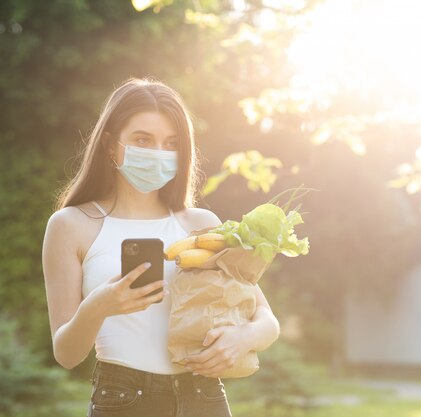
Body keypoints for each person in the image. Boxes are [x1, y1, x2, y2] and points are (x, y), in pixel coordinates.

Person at [42, 77, 280, 417]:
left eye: (171, 143)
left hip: (205, 396)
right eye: (143, 140)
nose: (158, 153)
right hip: (123, 400)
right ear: (110, 145)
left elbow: (267, 318)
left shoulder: (201, 225)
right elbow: (66, 354)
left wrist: (245, 338)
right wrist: (99, 306)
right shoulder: (70, 225)